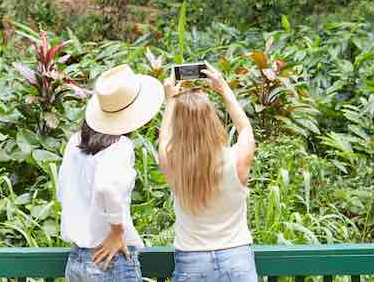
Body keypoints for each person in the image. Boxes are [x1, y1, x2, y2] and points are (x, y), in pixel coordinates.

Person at [57, 64, 165, 282]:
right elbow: (106, 186)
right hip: (109, 260)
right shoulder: (119, 145)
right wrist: (117, 231)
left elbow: (63, 191)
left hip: (77, 259)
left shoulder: (75, 141)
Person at [159, 62, 257, 282]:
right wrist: (223, 88)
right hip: (237, 258)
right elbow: (246, 129)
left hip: (192, 261)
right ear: (212, 121)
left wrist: (171, 102)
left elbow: (164, 139)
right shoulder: (237, 159)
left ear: (179, 125)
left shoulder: (173, 163)